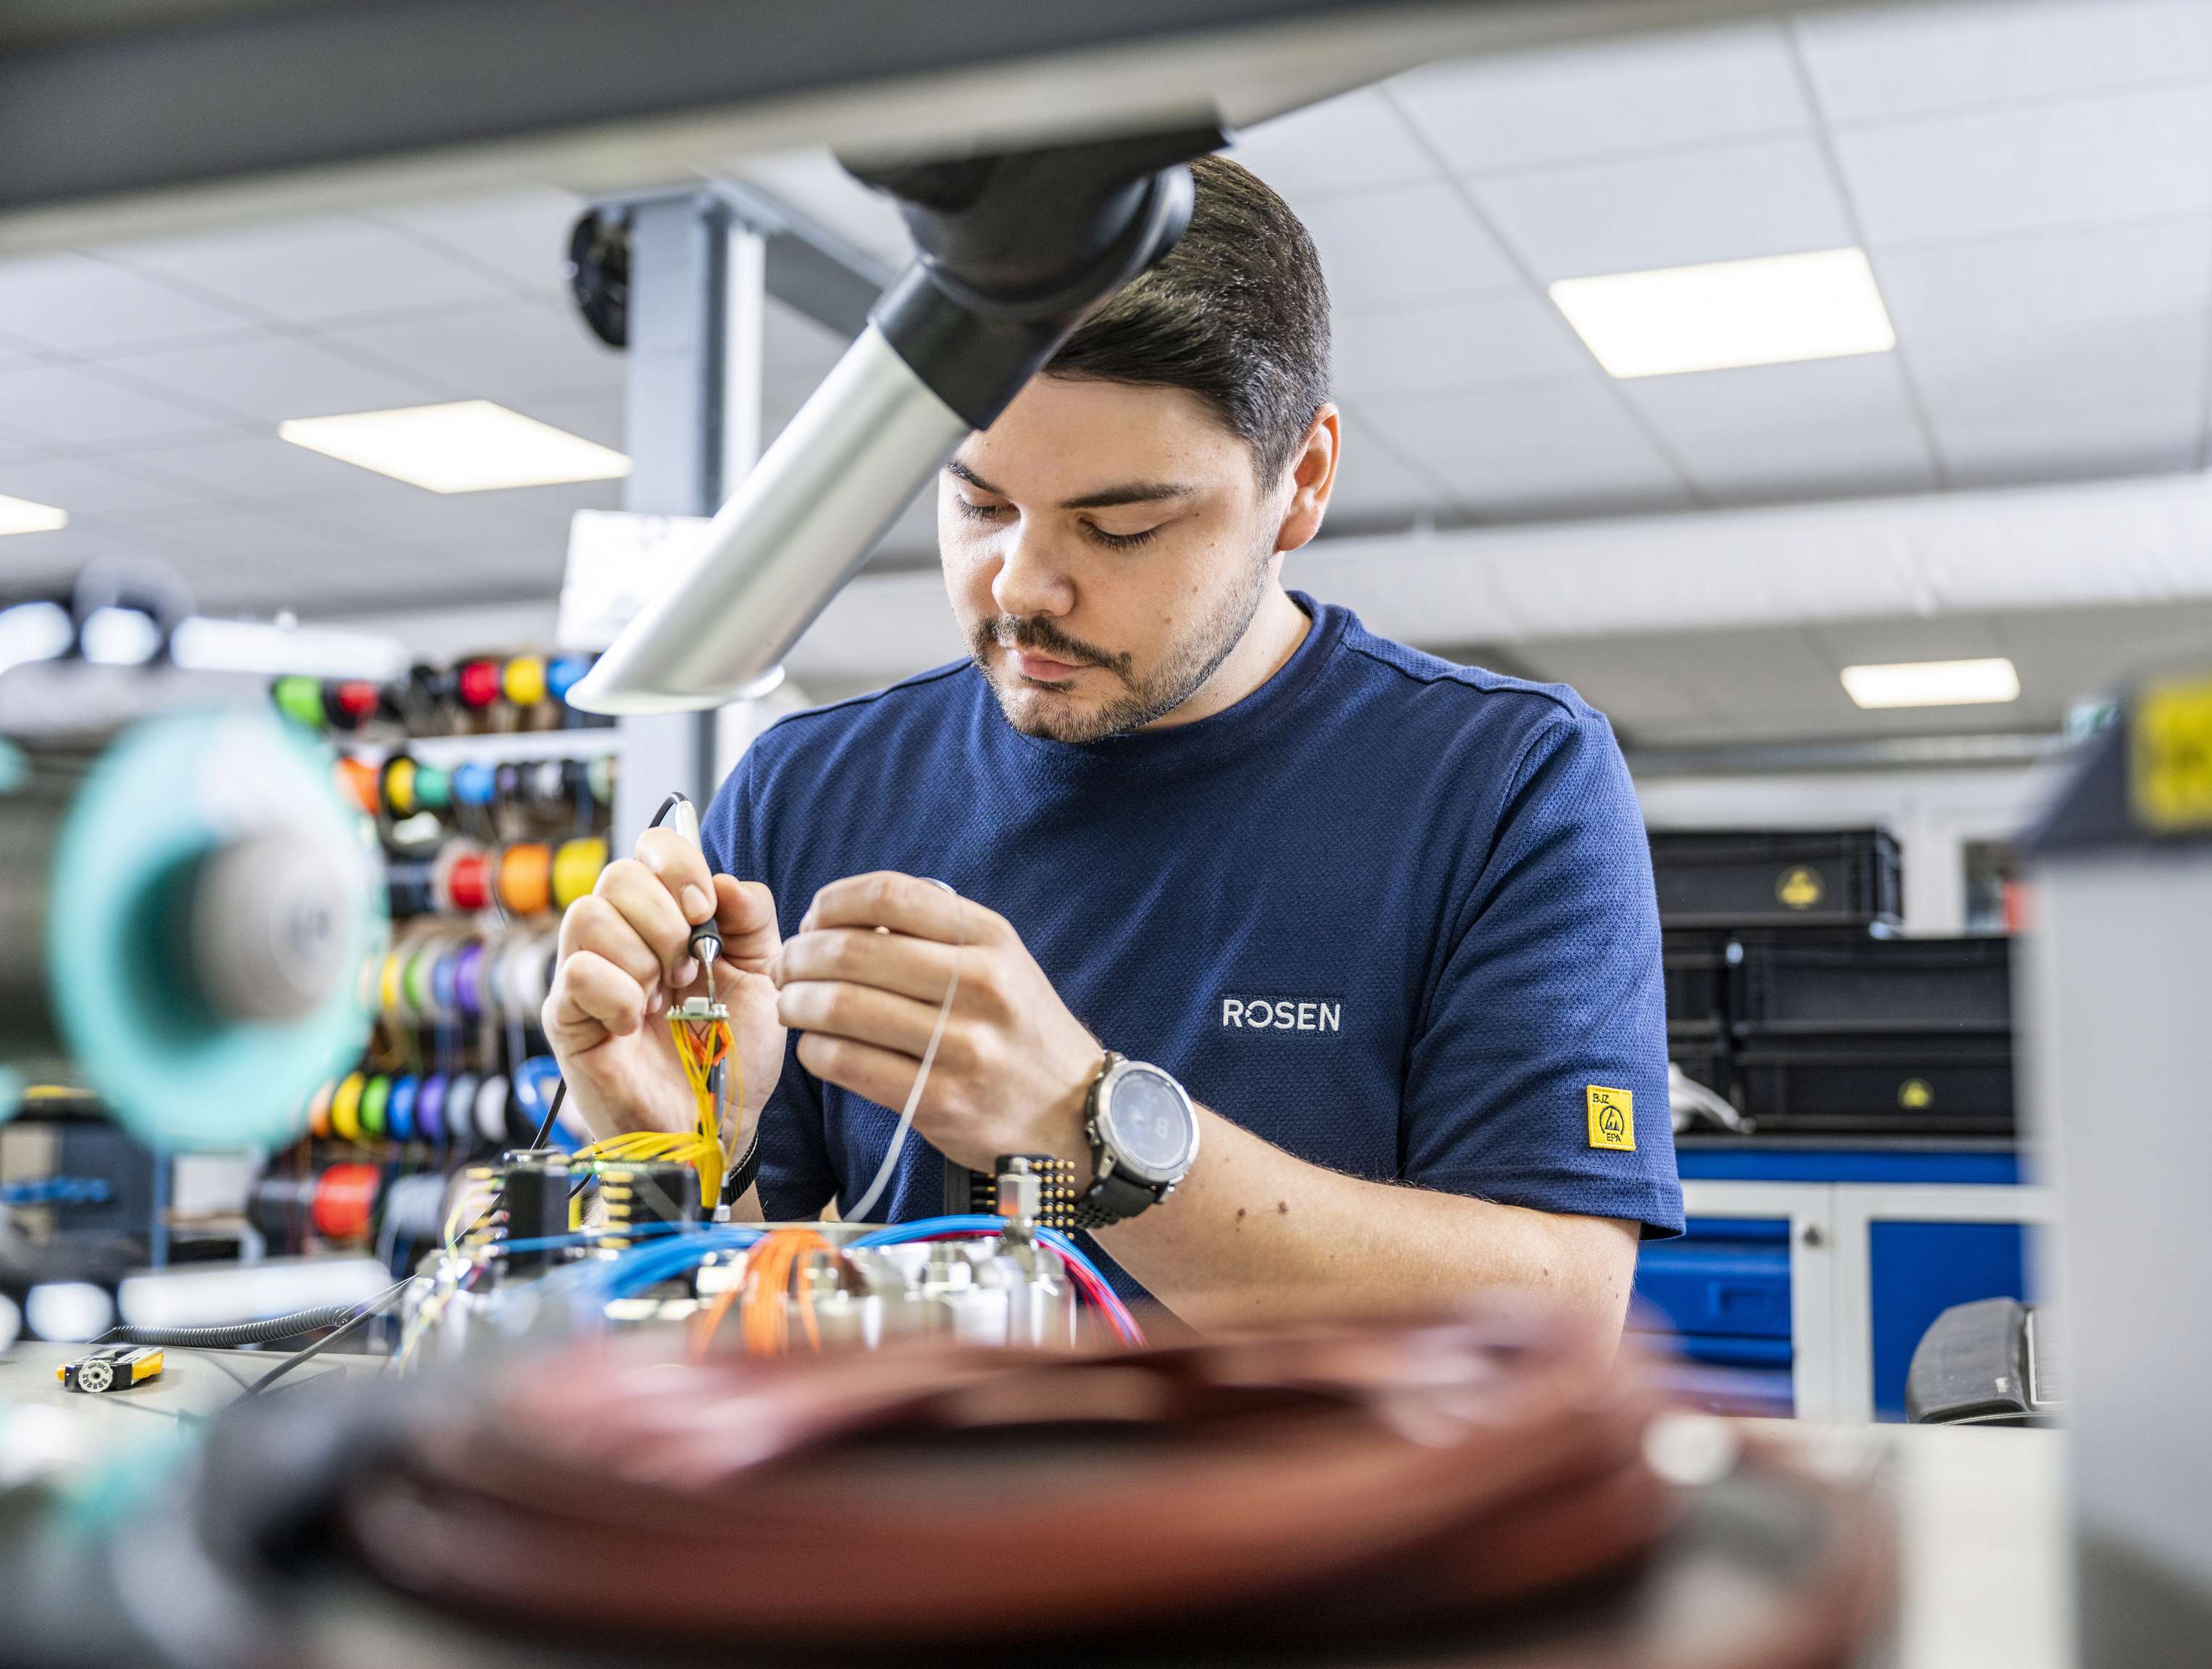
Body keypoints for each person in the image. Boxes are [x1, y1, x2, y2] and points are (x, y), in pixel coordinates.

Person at [543, 156, 1680, 1354]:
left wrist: (1084, 1127)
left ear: (1301, 484)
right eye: (978, 504)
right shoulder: (810, 787)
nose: (1022, 585)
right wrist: (679, 1162)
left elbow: (1558, 1319)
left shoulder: (1505, 782)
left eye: (1120, 525)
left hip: (1319, 1540)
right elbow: (735, 1333)